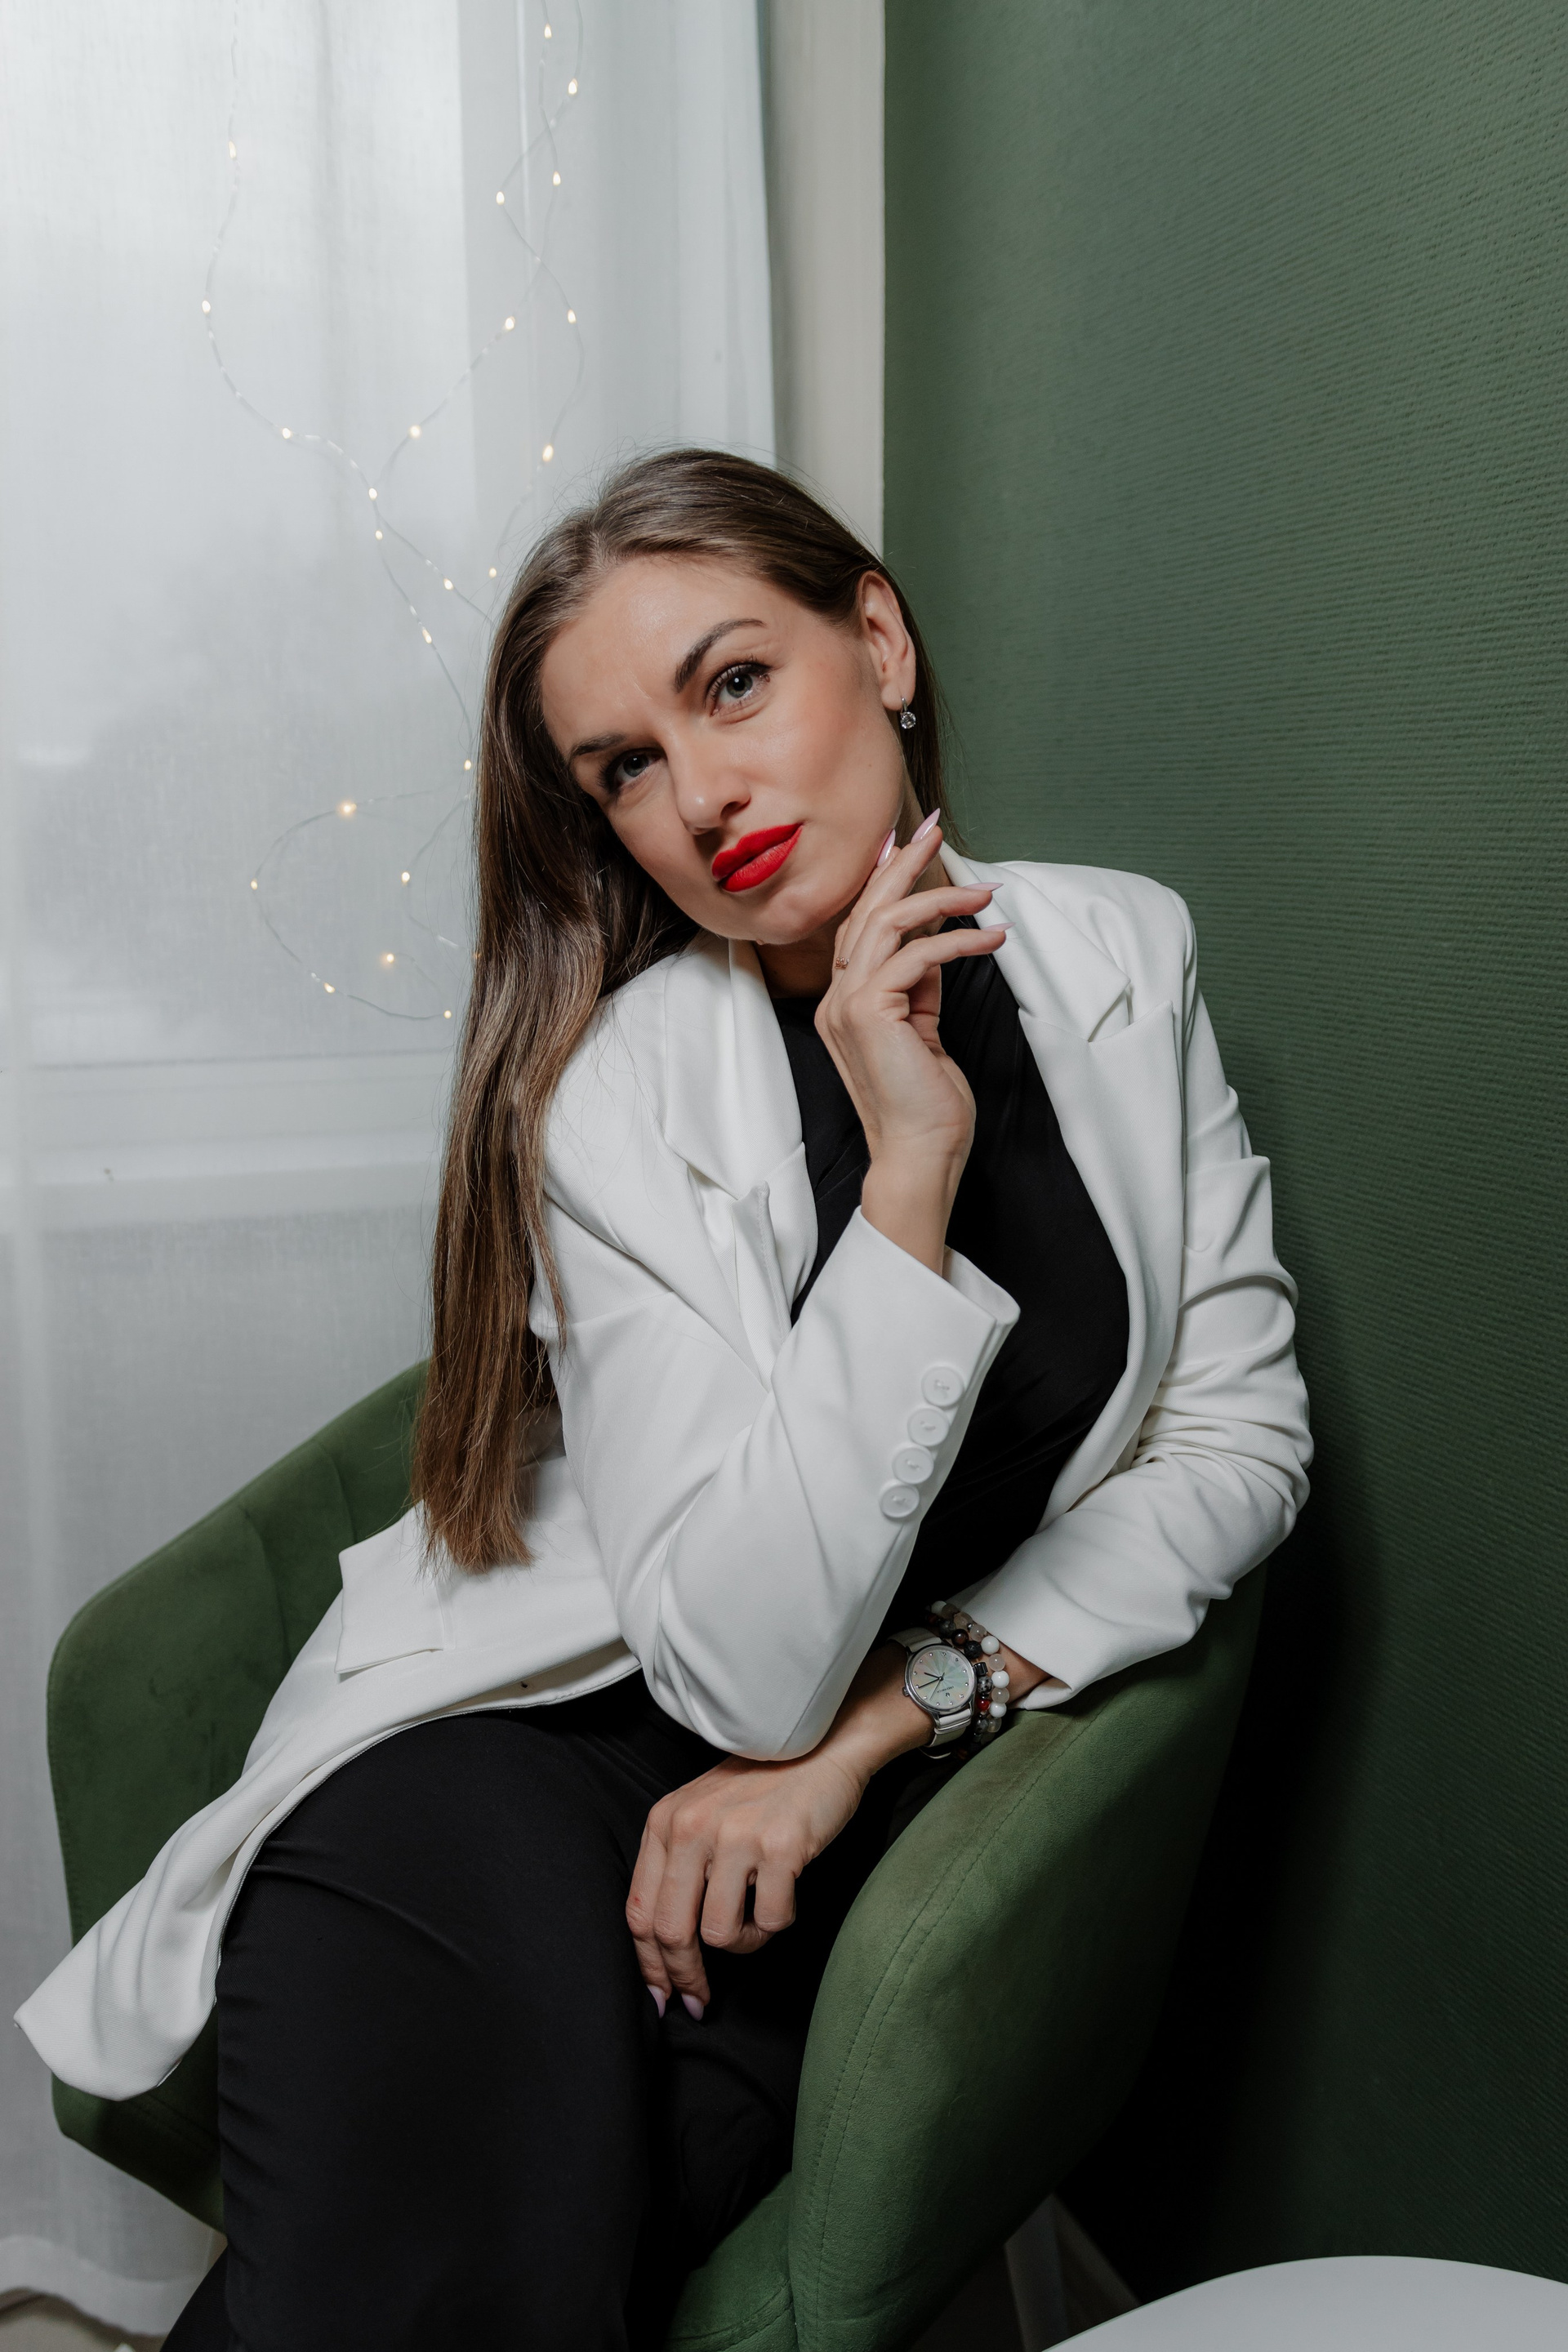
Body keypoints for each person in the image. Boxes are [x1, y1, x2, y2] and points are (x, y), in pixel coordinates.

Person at [20, 450, 1311, 2350]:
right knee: (461, 2261)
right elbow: (742, 1680)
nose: (700, 796)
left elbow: (1238, 1447)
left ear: (880, 643)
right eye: (625, 766)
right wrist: (908, 1176)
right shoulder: (617, 1095)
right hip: (529, 1756)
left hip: (809, 1831)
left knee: (494, 2260)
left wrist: (876, 1735)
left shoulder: (1124, 950)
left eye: (734, 684)